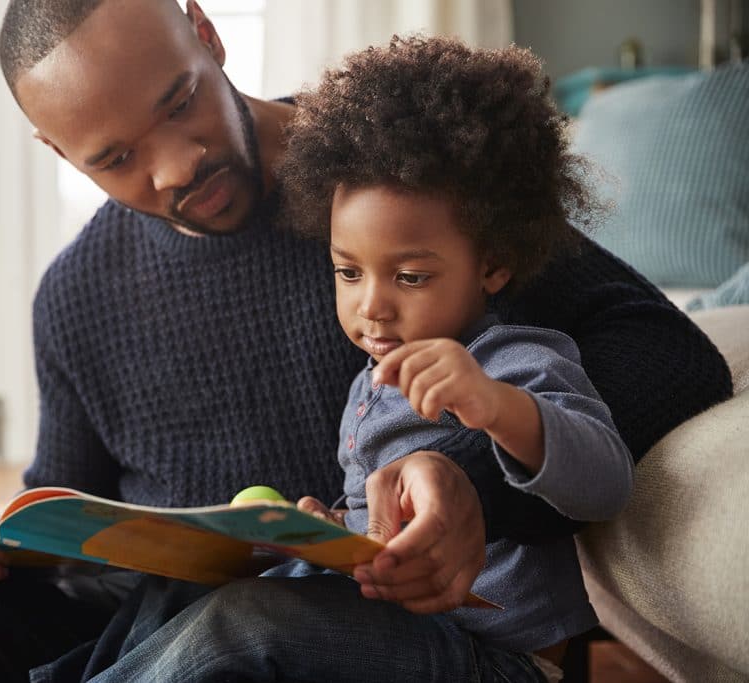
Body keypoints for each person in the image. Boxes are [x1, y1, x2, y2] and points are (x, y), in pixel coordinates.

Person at [0, 1, 731, 682]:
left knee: (233, 631)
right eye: (114, 157)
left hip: (336, 626)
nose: (174, 166)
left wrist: (465, 470)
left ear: (203, 30)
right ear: (55, 150)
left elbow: (668, 354)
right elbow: (67, 514)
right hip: (134, 621)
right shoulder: (75, 295)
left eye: (178, 104)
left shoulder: (393, 194)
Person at [83, 34, 637, 682]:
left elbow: (607, 481)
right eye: (348, 272)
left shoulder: (515, 360)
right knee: (174, 591)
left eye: (409, 277)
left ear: (491, 263)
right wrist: (324, 537)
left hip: (497, 658)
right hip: (395, 632)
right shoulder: (369, 392)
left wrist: (500, 407)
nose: (371, 306)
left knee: (246, 623)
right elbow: (386, 538)